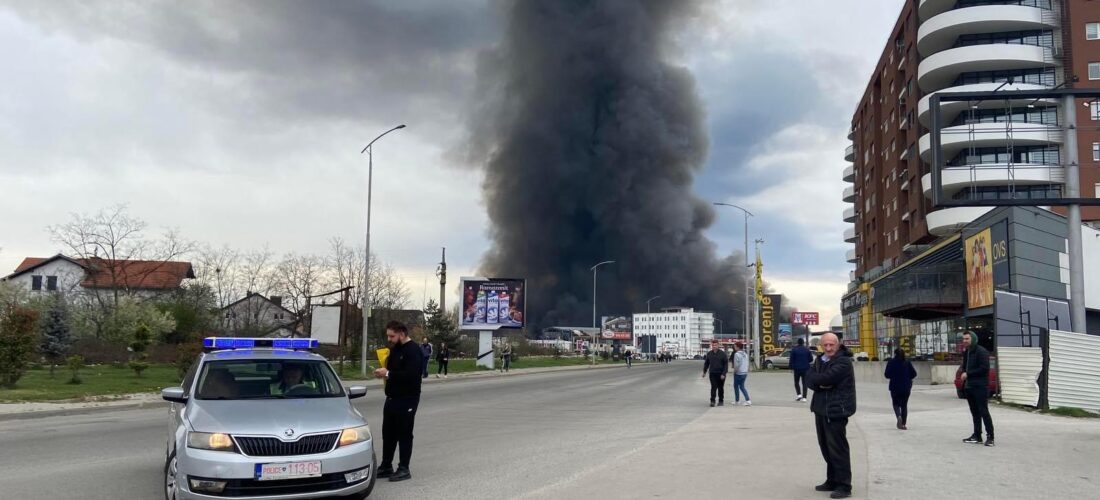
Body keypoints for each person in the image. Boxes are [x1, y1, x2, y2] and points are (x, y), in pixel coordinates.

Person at [805, 333, 856, 499]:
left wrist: (819, 381)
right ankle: (832, 480)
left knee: (837, 448)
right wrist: (820, 383)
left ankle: (844, 485)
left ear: (838, 344)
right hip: (820, 409)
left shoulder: (843, 362)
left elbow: (827, 378)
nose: (828, 348)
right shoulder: (820, 359)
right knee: (825, 447)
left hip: (836, 410)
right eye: (825, 345)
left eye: (831, 345)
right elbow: (809, 379)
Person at [373, 321, 424, 482]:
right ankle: (386, 465)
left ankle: (404, 468)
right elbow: (392, 371)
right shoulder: (395, 349)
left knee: (404, 433)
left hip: (407, 399)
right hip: (392, 398)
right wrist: (383, 373)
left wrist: (388, 374)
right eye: (388, 335)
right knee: (388, 433)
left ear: (402, 333)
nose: (389, 339)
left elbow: (412, 375)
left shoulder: (414, 350)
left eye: (392, 336)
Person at [960, 330, 994, 447]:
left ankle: (990, 437)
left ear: (973, 339)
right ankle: (977, 435)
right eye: (963, 339)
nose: (964, 341)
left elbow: (984, 368)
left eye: (967, 339)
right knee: (975, 413)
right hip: (969, 387)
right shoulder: (966, 352)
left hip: (980, 387)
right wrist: (964, 372)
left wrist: (968, 374)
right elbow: (964, 367)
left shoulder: (981, 352)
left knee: (983, 411)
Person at [884, 348, 917, 430]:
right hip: (906, 388)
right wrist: (907, 377)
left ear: (895, 354)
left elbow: (887, 375)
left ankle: (898, 416)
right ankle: (903, 424)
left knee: (895, 404)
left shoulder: (891, 362)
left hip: (895, 387)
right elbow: (914, 374)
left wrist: (894, 375)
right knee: (904, 405)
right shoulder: (907, 362)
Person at [701, 341, 728, 407]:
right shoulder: (709, 354)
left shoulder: (723, 354)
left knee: (720, 388)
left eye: (715, 345)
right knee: (713, 387)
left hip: (721, 374)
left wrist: (723, 374)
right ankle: (712, 401)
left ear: (718, 345)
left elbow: (726, 365)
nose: (714, 346)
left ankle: (721, 401)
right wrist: (704, 372)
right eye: (713, 345)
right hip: (712, 373)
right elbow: (706, 363)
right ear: (711, 346)